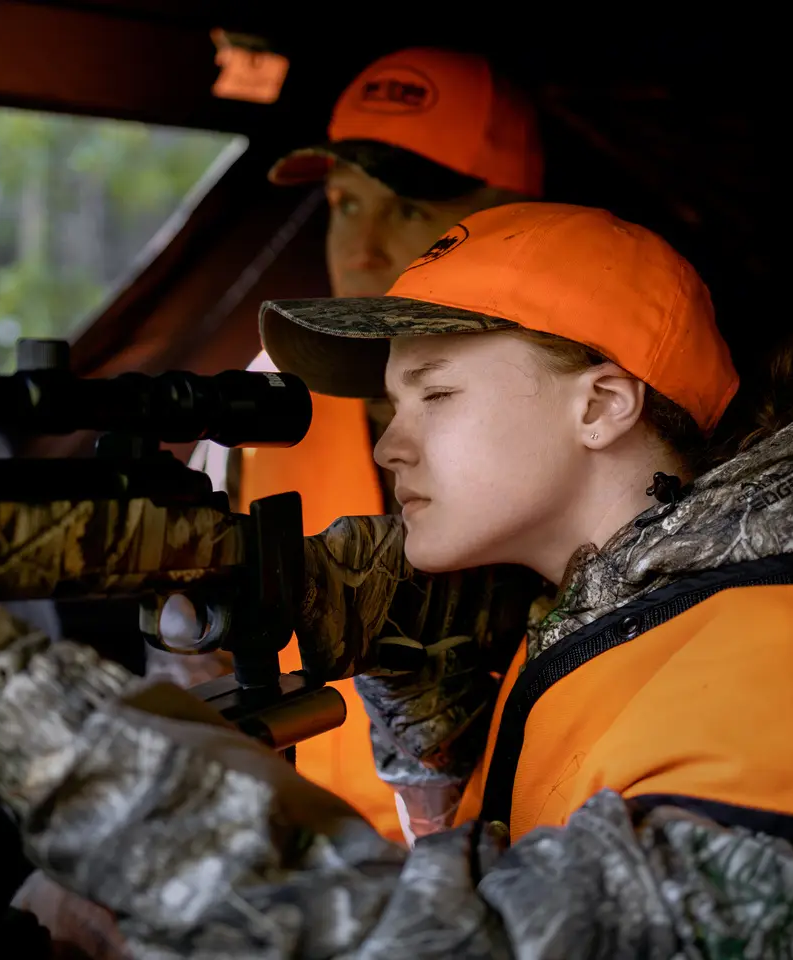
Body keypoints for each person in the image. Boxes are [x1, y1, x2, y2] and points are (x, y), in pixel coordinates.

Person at [0, 201, 793, 954]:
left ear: (602, 402)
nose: (387, 438)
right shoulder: (618, 607)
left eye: (436, 392)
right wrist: (414, 686)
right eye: (384, 403)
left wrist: (30, 723)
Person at [173, 45, 545, 845]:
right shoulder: (252, 409)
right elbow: (190, 679)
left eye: (408, 208)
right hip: (320, 879)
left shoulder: (582, 419)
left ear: (520, 217)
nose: (363, 246)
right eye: (345, 203)